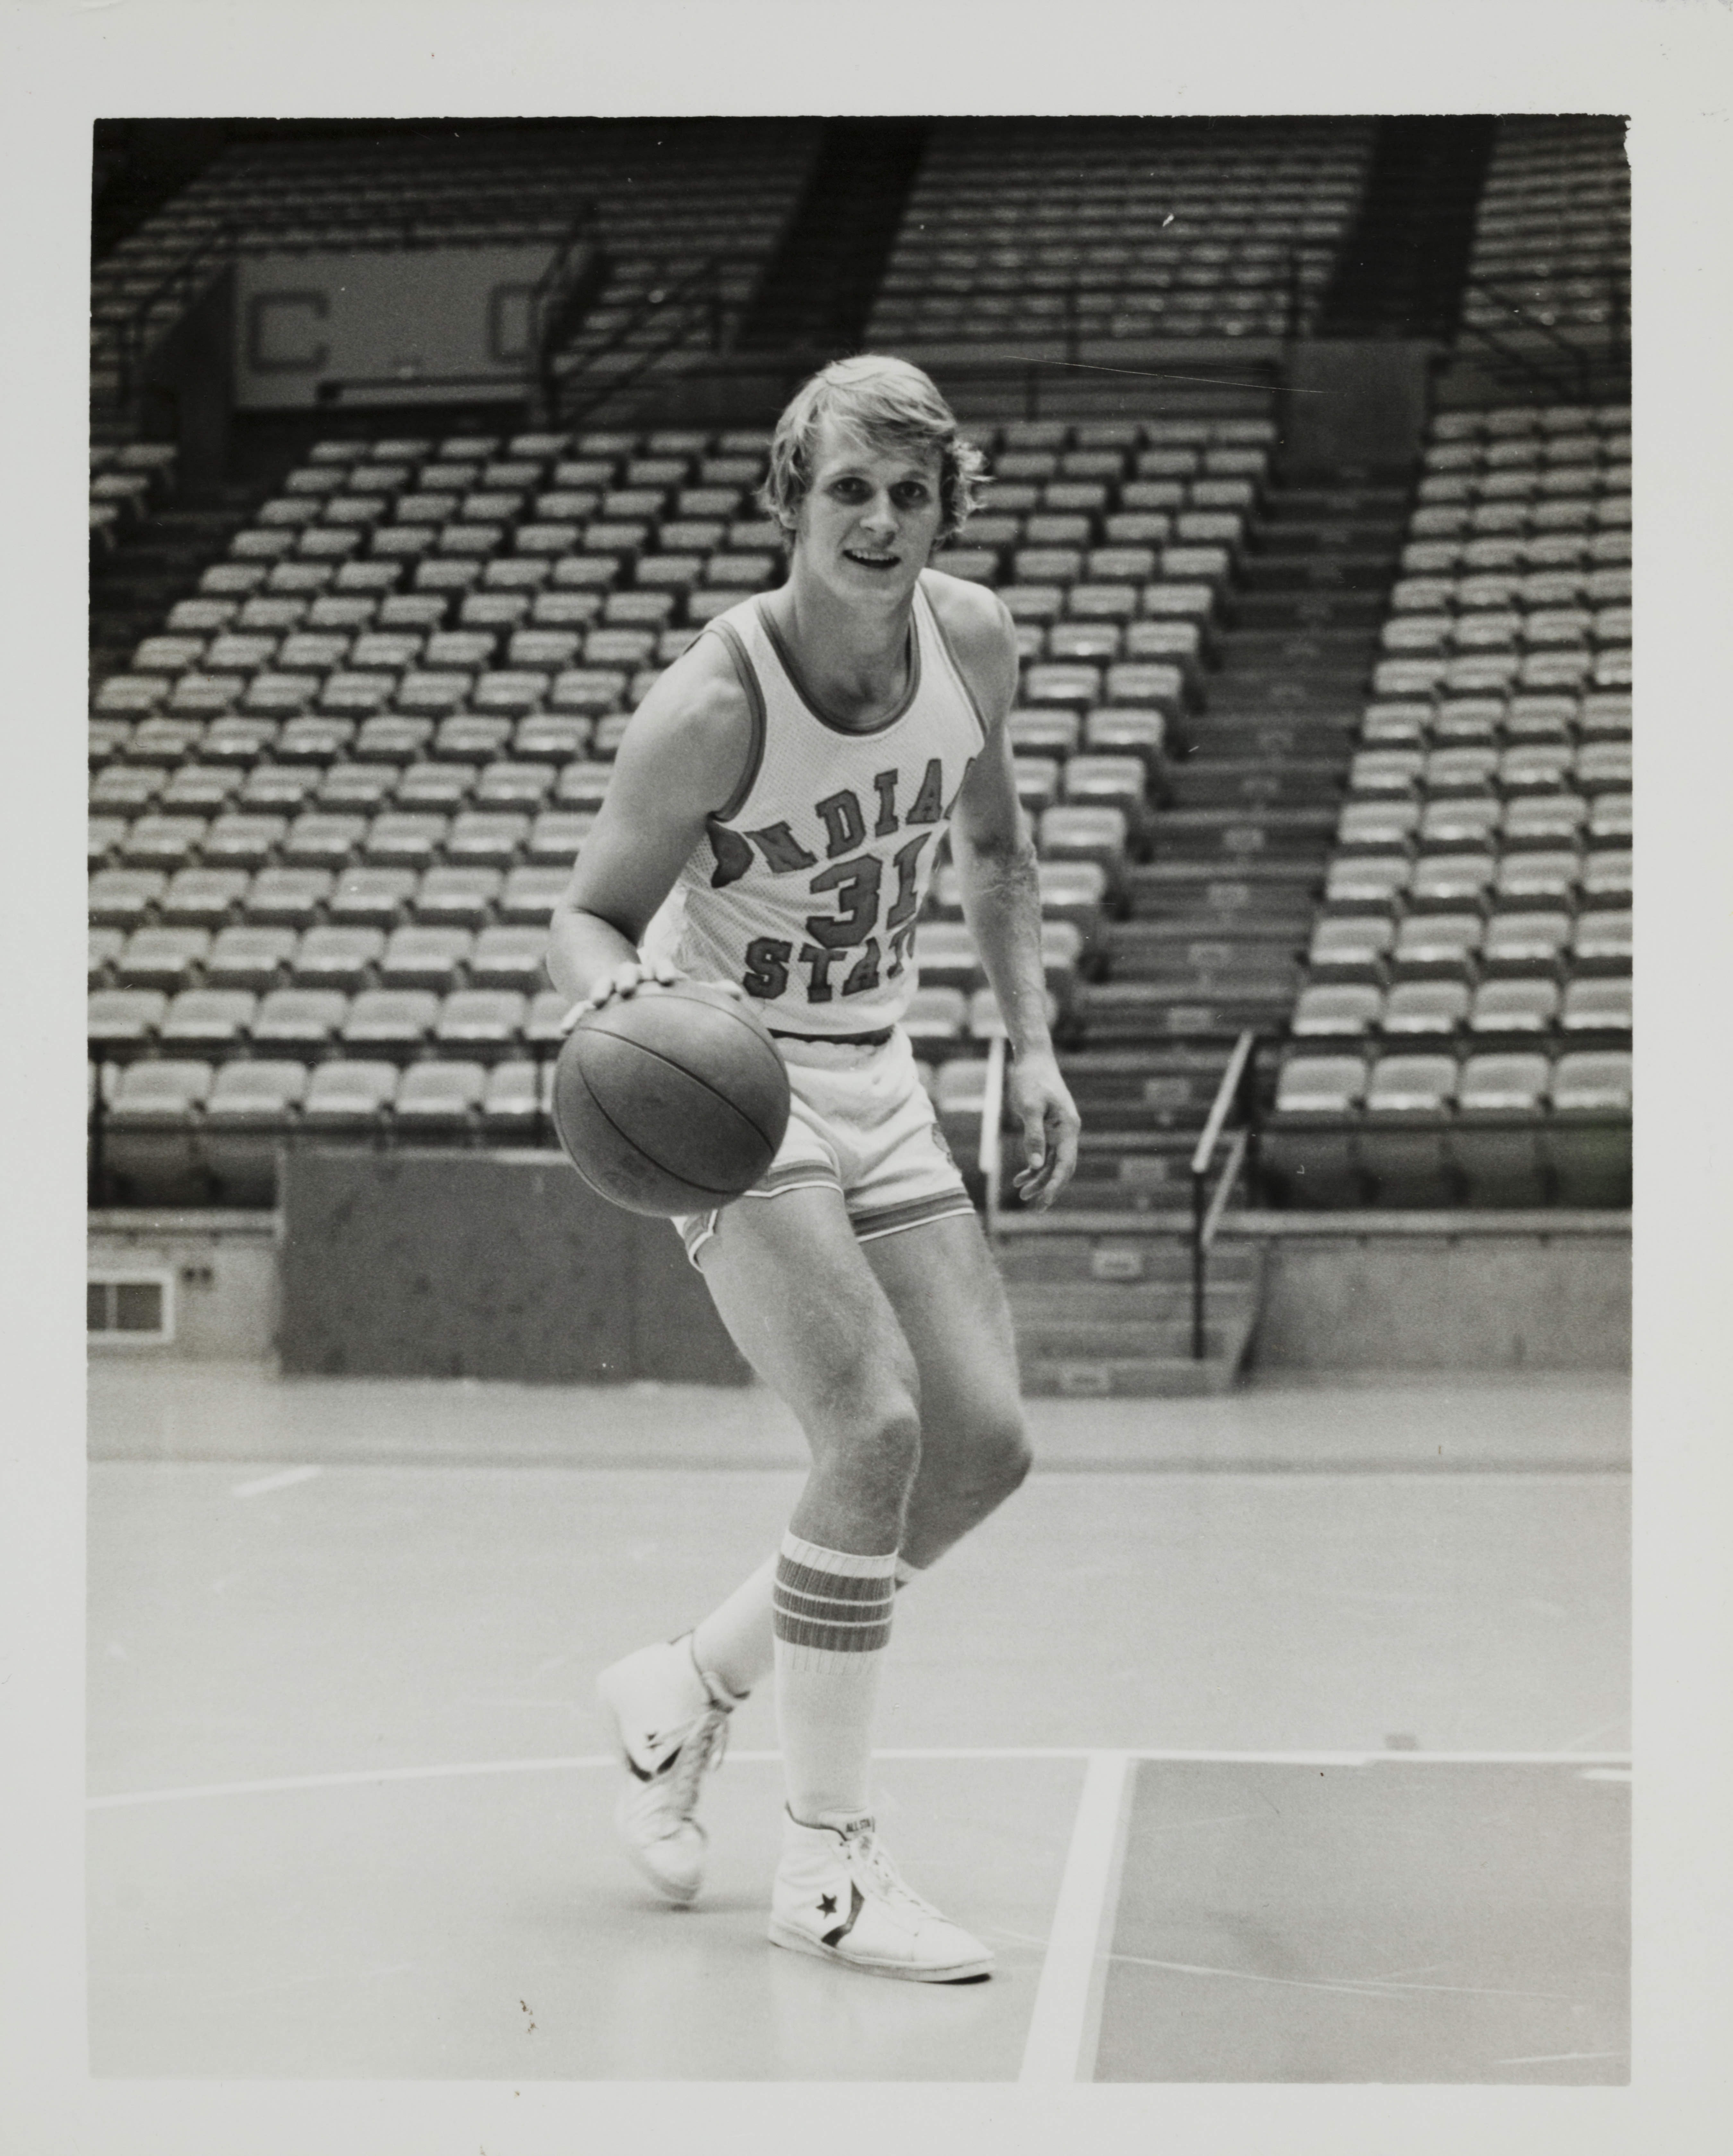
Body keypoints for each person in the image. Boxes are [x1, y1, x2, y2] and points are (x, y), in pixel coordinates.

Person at [545, 354, 1080, 1984]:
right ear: (795, 500)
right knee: (876, 1429)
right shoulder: (716, 702)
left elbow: (994, 846)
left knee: (980, 1451)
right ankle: (828, 1866)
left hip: (883, 1067)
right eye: (849, 488)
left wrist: (1031, 1041)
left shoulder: (972, 641)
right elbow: (583, 919)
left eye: (911, 493)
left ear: (945, 511)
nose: (880, 519)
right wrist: (622, 1005)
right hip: (740, 1087)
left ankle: (687, 1684)